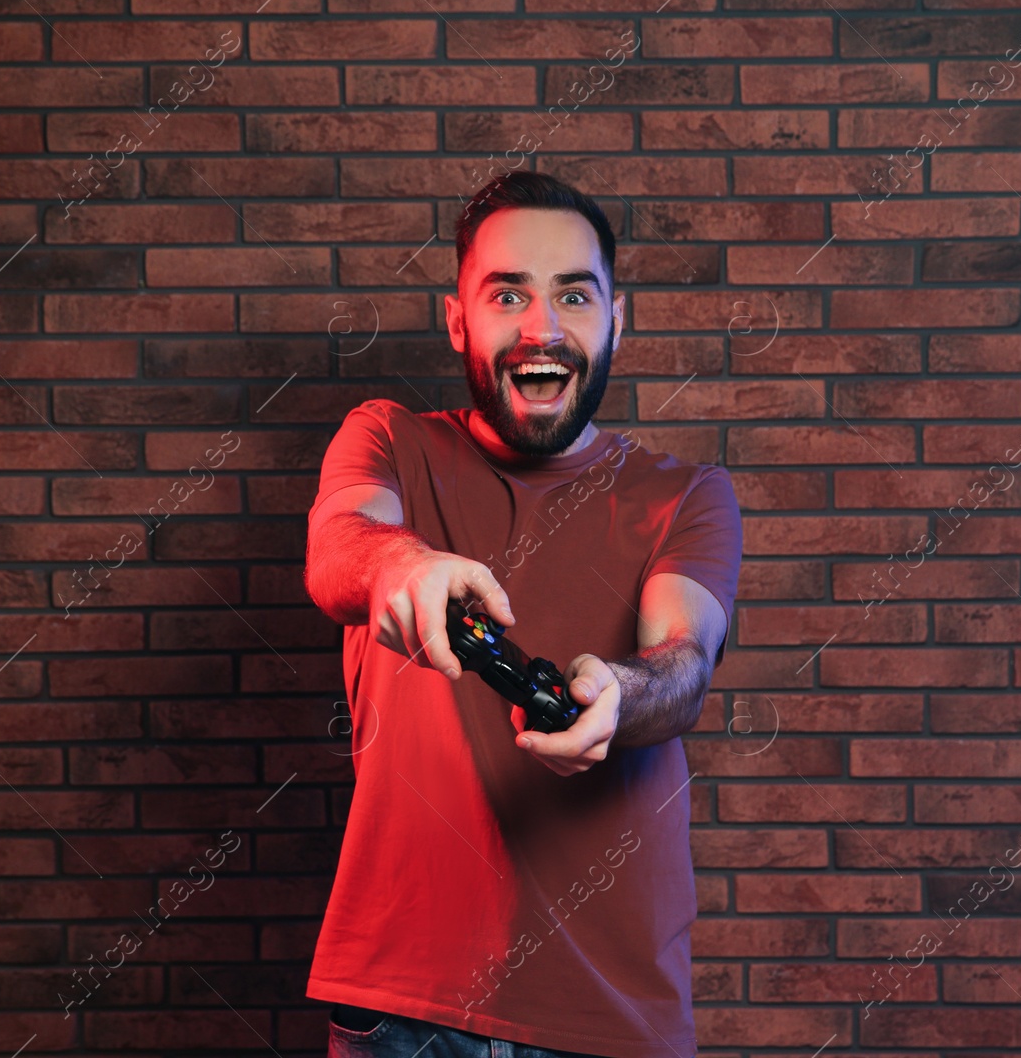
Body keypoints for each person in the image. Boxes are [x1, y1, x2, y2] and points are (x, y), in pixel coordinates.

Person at [303, 171, 743, 1058]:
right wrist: (404, 564)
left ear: (618, 317)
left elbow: (684, 661)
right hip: (403, 1013)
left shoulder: (688, 496)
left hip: (611, 1019)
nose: (542, 329)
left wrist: (618, 695)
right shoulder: (388, 441)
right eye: (508, 294)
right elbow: (340, 544)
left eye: (574, 295)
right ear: (459, 318)